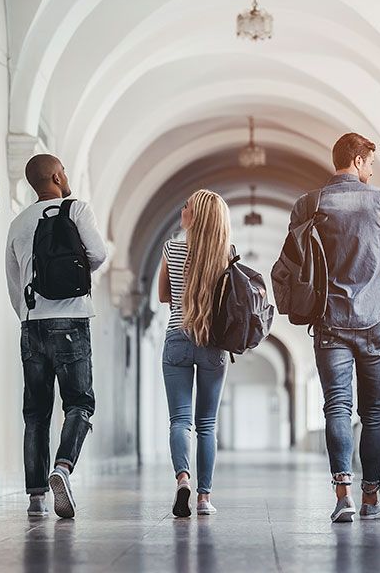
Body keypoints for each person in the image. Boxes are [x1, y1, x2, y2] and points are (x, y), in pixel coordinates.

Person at [287, 133, 380, 522]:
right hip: (376, 322)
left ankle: (344, 496)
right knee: (373, 413)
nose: (372, 170)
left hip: (330, 321)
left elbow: (295, 261)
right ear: (357, 161)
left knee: (336, 407)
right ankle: (371, 498)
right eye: (370, 162)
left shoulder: (308, 204)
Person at [5, 154, 107, 518]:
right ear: (55, 175)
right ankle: (62, 468)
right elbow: (98, 254)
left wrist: (30, 313)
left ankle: (35, 498)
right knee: (79, 403)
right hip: (72, 319)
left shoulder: (18, 222)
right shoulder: (76, 209)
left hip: (32, 323)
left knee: (36, 412)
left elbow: (14, 282)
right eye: (62, 170)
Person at [158, 189, 231, 518]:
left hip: (177, 338)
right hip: (213, 344)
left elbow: (163, 296)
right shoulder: (226, 254)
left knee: (180, 421)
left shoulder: (171, 248)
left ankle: (183, 479)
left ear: (196, 216)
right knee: (207, 425)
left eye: (186, 205)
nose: (181, 208)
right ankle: (203, 498)